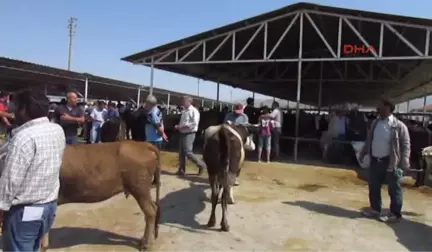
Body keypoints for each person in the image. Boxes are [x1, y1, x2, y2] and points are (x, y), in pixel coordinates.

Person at [0, 90, 65, 251]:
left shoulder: (23, 138)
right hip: (48, 207)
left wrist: (1, 208)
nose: (12, 112)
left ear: (24, 109)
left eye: (15, 107)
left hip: (24, 211)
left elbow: (10, 181)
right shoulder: (56, 130)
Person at [359, 99, 410, 223]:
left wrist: (404, 163)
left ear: (388, 107)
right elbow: (370, 139)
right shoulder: (375, 123)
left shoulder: (398, 126)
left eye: (380, 106)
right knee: (374, 186)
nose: (378, 108)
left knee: (394, 188)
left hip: (391, 162)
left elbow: (405, 145)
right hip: (376, 160)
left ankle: (395, 213)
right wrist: (363, 152)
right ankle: (375, 209)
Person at [175, 96, 206, 176]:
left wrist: (181, 127)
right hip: (182, 133)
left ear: (189, 102)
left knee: (188, 152)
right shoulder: (185, 111)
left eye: (184, 101)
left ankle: (202, 165)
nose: (182, 102)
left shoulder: (194, 111)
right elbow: (185, 122)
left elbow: (194, 124)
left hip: (189, 133)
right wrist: (179, 126)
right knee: (181, 152)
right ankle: (181, 170)